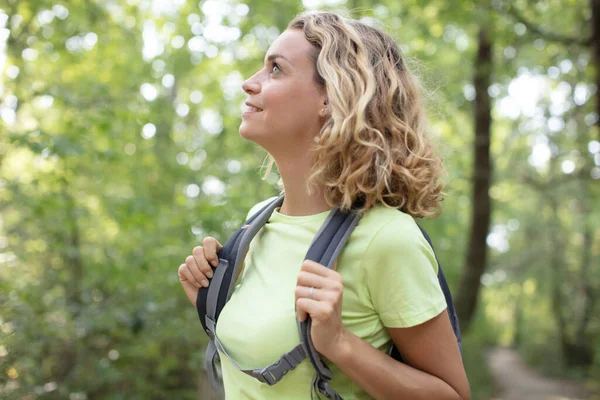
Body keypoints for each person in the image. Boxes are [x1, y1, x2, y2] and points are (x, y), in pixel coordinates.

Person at [178, 10, 471, 400]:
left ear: (332, 99)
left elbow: (453, 394)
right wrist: (210, 299)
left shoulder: (387, 239)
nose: (250, 83)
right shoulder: (257, 224)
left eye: (276, 69)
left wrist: (340, 344)